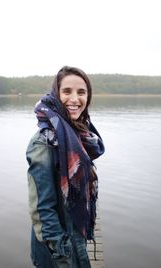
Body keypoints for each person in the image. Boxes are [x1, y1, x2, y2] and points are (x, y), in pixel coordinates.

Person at [26, 66, 105, 268]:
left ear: (88, 96)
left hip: (74, 237)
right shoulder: (44, 143)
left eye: (81, 92)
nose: (74, 99)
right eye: (67, 91)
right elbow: (43, 210)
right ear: (56, 94)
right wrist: (62, 256)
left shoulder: (76, 132)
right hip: (58, 250)